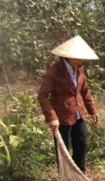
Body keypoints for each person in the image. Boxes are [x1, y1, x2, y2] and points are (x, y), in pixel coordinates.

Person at [38, 35, 100, 173]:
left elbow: (85, 91)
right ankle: (66, 178)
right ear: (70, 56)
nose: (82, 60)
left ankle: (80, 175)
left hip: (78, 114)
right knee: (64, 148)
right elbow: (43, 95)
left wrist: (93, 110)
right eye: (80, 57)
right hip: (62, 117)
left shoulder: (79, 69)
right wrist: (52, 117)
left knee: (81, 144)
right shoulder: (55, 71)